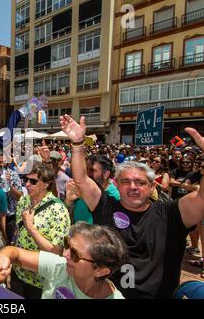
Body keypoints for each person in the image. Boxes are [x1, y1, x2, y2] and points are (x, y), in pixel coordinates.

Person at [60, 114, 204, 298]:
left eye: (140, 182)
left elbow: (201, 198)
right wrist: (78, 144)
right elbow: (80, 179)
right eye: (126, 181)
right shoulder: (106, 206)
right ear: (116, 185)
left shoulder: (172, 214)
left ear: (153, 186)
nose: (133, 187)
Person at [0, 223, 128, 299]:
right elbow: (15, 252)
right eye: (67, 245)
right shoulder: (60, 267)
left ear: (100, 270)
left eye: (74, 254)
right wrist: (4, 258)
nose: (65, 253)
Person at [10, 163, 71, 299]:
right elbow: (17, 234)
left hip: (40, 282)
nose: (27, 185)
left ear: (46, 184)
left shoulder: (58, 210)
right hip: (18, 273)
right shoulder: (24, 201)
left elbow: (57, 252)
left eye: (33, 181)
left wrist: (31, 228)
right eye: (26, 180)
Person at [67, 155, 120, 224]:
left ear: (106, 174)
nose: (87, 174)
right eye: (86, 169)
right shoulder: (79, 189)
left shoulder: (115, 198)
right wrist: (69, 202)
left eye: (92, 170)